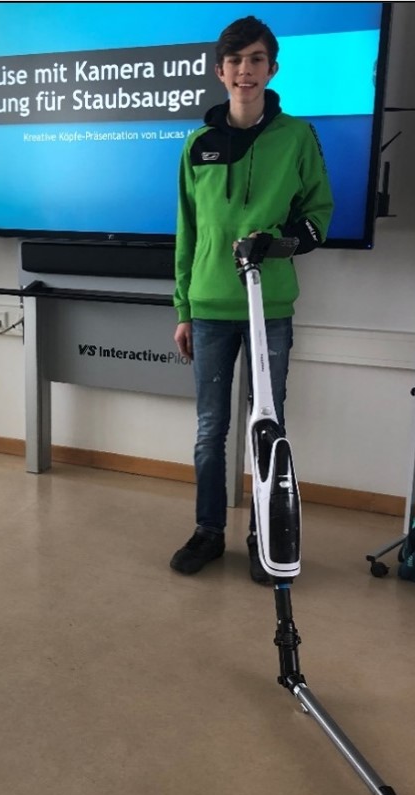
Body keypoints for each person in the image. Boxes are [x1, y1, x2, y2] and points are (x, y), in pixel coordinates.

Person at [170, 15, 333, 584]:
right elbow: (187, 234)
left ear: (272, 69)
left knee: (270, 426)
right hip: (210, 308)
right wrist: (183, 310)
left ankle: (266, 536)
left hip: (271, 310)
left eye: (257, 59)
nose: (246, 70)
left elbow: (318, 217)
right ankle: (208, 532)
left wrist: (278, 244)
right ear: (221, 71)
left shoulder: (297, 137)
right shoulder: (197, 145)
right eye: (236, 61)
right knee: (210, 428)